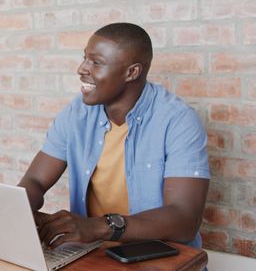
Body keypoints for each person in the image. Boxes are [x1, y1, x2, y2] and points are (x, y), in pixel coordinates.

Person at [18, 22, 209, 250]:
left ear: (132, 72)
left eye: (96, 62)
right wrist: (20, 212)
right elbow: (36, 180)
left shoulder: (178, 120)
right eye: (85, 58)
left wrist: (98, 227)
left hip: (158, 258)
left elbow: (184, 219)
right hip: (92, 254)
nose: (82, 68)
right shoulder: (76, 113)